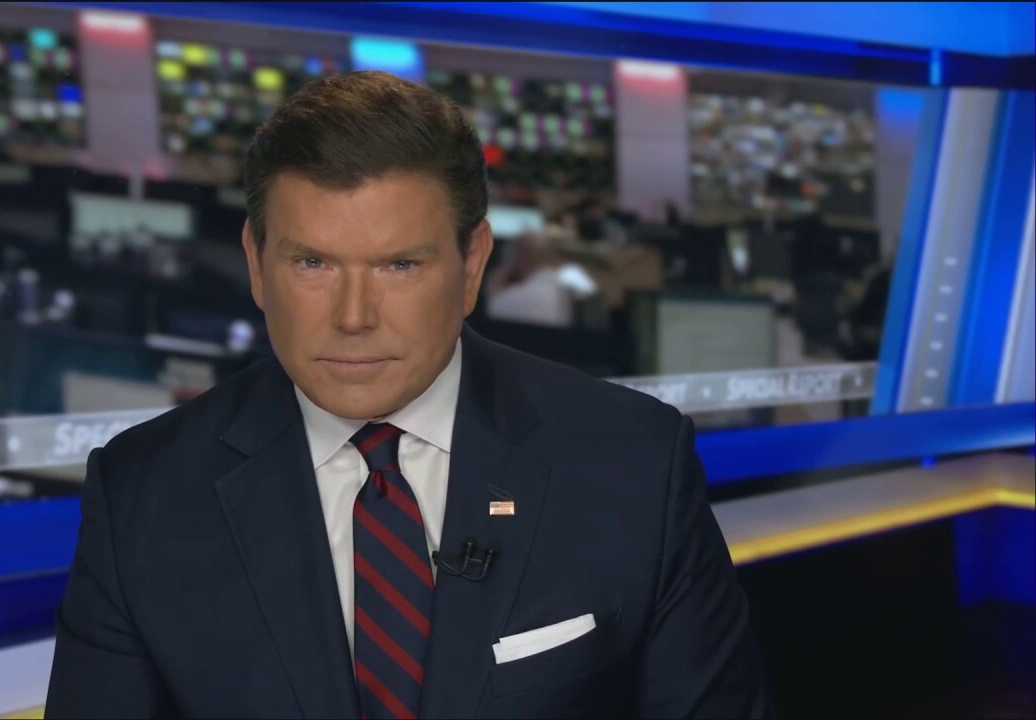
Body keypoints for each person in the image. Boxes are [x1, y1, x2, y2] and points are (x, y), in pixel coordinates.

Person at [46, 71, 774, 719]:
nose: (353, 317)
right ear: (257, 265)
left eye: (399, 266)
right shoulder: (144, 495)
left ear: (472, 265)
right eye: (312, 263)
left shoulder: (635, 463)